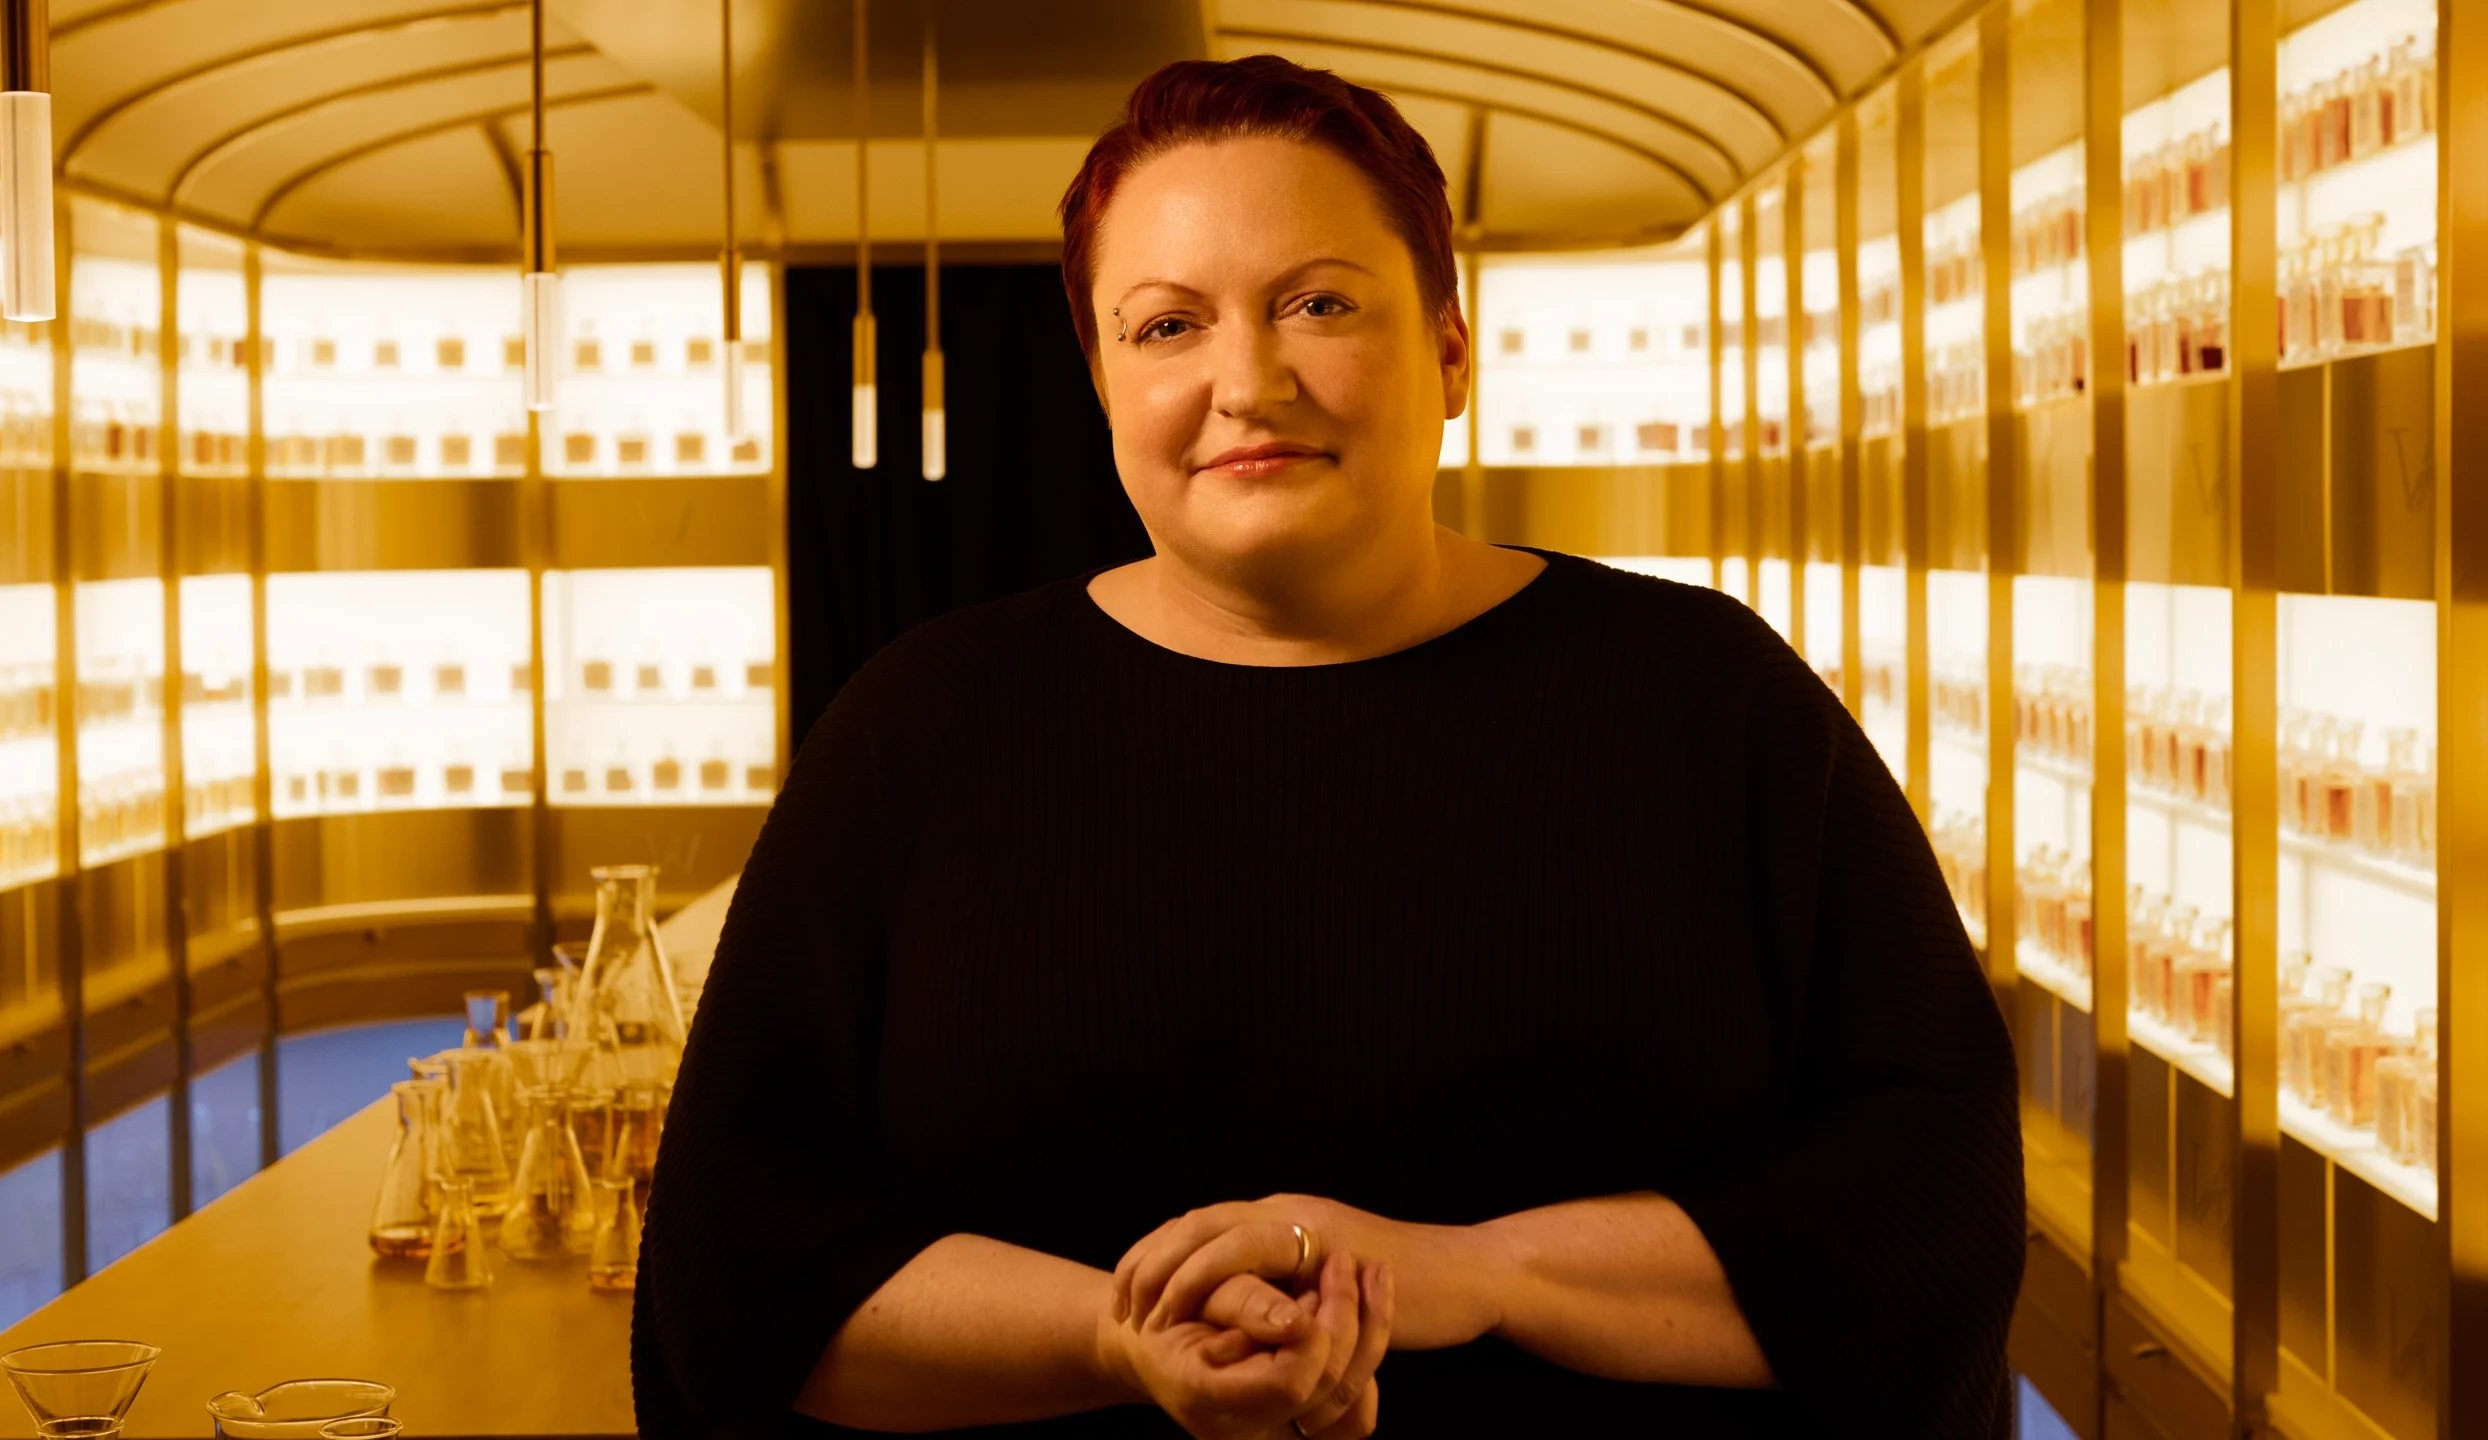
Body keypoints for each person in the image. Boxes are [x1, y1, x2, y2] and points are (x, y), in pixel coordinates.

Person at [634, 54, 2024, 1439]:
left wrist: (1475, 1275)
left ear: (1452, 349)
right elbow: (733, 1264)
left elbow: (1929, 1204)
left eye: (1318, 304)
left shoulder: (1708, 696)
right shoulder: (922, 722)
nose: (1246, 382)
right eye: (1166, 326)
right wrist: (1123, 1339)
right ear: (1103, 382)